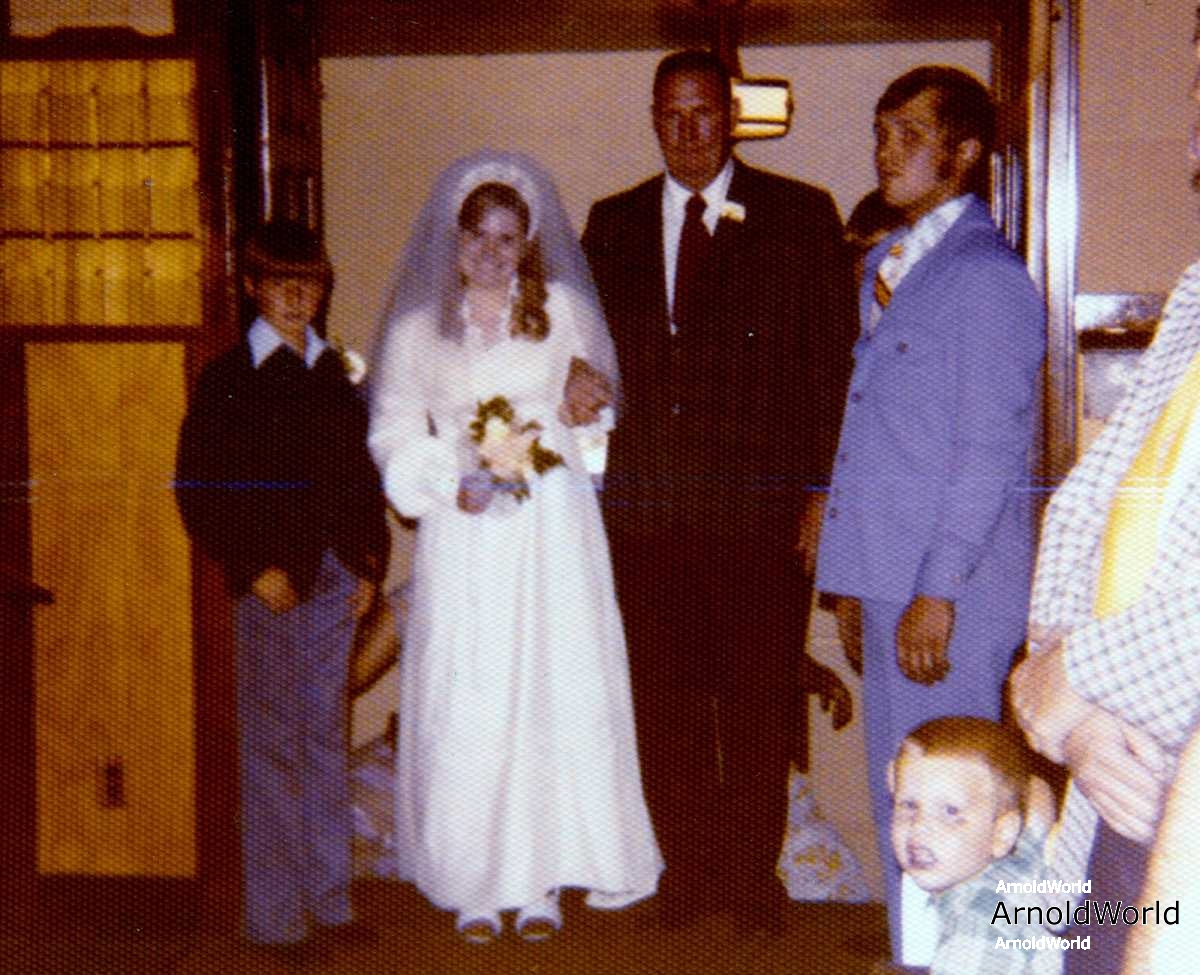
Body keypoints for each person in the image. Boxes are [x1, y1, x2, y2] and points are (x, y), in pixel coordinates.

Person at [580, 48, 857, 936]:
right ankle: (688, 872)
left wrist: (821, 493)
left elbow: (831, 369)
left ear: (731, 116)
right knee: (663, 705)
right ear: (653, 119)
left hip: (760, 520)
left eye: (703, 112)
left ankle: (750, 880)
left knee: (757, 702)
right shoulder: (612, 222)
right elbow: (582, 351)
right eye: (670, 114)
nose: (688, 131)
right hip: (647, 518)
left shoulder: (800, 215)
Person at [368, 151, 662, 945]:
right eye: (477, 237)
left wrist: (586, 401)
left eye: (507, 239)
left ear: (528, 243)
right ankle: (474, 881)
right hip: (466, 526)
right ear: (454, 239)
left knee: (550, 690)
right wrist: (443, 477)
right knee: (474, 694)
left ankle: (541, 879)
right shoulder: (418, 329)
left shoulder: (562, 310)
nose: (491, 253)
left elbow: (599, 407)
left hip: (550, 527)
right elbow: (393, 427)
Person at [815, 65, 1046, 961]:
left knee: (953, 804)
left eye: (910, 134)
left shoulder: (986, 278)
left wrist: (936, 590)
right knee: (909, 793)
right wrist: (853, 579)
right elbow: (877, 436)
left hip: (950, 586)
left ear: (966, 151)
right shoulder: (896, 264)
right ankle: (920, 954)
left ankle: (967, 957)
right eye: (882, 132)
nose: (887, 151)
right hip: (893, 576)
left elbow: (987, 452)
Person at [1010, 21, 1200, 974]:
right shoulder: (1198, 294)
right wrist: (1060, 691)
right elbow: (1085, 501)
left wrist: (1077, 671)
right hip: (1117, 769)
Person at [175, 221, 390, 967]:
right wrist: (249, 566)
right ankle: (275, 917)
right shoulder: (229, 379)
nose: (297, 297)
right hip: (271, 583)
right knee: (273, 747)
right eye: (279, 283)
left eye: (310, 282)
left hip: (334, 578)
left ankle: (330, 899)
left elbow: (361, 480)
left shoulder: (336, 374)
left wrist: (367, 565)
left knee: (325, 734)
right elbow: (200, 486)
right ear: (251, 288)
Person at [888, 717, 1061, 975]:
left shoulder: (976, 926)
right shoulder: (1017, 865)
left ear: (1002, 833)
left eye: (950, 812)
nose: (919, 827)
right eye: (909, 805)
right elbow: (1039, 794)